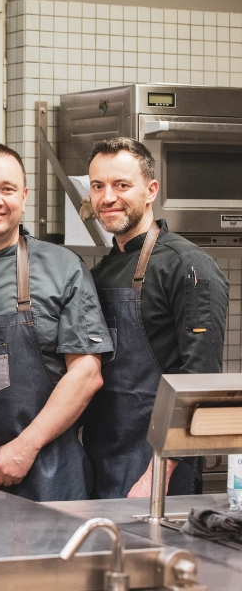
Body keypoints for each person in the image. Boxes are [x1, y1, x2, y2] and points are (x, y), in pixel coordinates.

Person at [0, 143, 110, 501]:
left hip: (51, 472)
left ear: (24, 197)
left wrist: (26, 446)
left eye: (8, 189)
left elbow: (87, 373)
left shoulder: (63, 267)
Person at [83, 137, 229, 499]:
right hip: (102, 457)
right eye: (98, 186)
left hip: (158, 467)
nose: (107, 197)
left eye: (121, 185)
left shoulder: (188, 266)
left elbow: (200, 383)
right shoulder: (100, 272)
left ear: (151, 190)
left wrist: (157, 474)